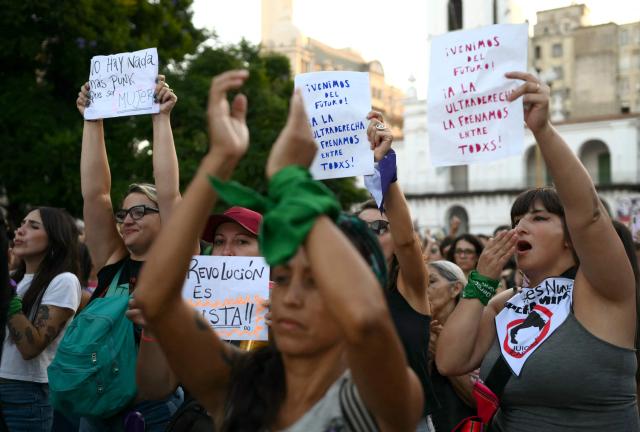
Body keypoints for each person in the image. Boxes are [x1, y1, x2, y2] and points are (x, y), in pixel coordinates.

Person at [131, 70, 424, 431]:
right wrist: (219, 159)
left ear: (356, 288)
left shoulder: (381, 398)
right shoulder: (238, 383)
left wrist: (289, 179)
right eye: (282, 279)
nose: (291, 298)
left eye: (316, 282)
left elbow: (366, 324)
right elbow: (155, 299)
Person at [436, 71, 639, 431]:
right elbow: (451, 361)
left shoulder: (607, 291)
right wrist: (481, 281)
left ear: (570, 236)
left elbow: (590, 216)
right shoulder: (504, 305)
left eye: (539, 218)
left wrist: (542, 131)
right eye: (516, 220)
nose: (520, 228)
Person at [75, 75, 183, 431]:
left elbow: (169, 193)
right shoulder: (113, 262)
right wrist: (92, 120)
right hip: (97, 407)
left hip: (152, 411)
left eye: (140, 211)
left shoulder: (177, 261)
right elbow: (96, 195)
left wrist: (160, 116)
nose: (127, 220)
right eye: (124, 214)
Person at [358, 111, 435, 431]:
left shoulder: (410, 290)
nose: (371, 235)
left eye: (381, 227)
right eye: (362, 229)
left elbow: (406, 241)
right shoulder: (334, 297)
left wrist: (384, 164)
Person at [0, 207, 82, 431]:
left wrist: (6, 293)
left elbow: (30, 346)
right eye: (22, 223)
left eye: (33, 226)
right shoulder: (14, 279)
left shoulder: (63, 281)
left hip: (25, 395)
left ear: (56, 240)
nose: (20, 230)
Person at [426, 260, 475, 431]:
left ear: (455, 289)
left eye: (431, 282)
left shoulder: (474, 331)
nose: (422, 288)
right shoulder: (414, 330)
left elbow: (476, 399)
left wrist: (443, 352)